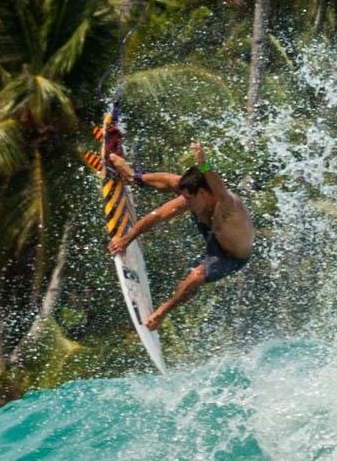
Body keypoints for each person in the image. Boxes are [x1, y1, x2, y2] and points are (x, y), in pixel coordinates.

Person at [101, 140, 255, 330]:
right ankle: (133, 177)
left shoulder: (229, 207)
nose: (185, 201)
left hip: (230, 256)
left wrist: (204, 165)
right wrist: (127, 239)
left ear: (204, 193)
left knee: (196, 276)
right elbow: (159, 215)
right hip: (210, 226)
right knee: (177, 183)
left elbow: (221, 190)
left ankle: (162, 312)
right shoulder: (195, 196)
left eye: (190, 198)